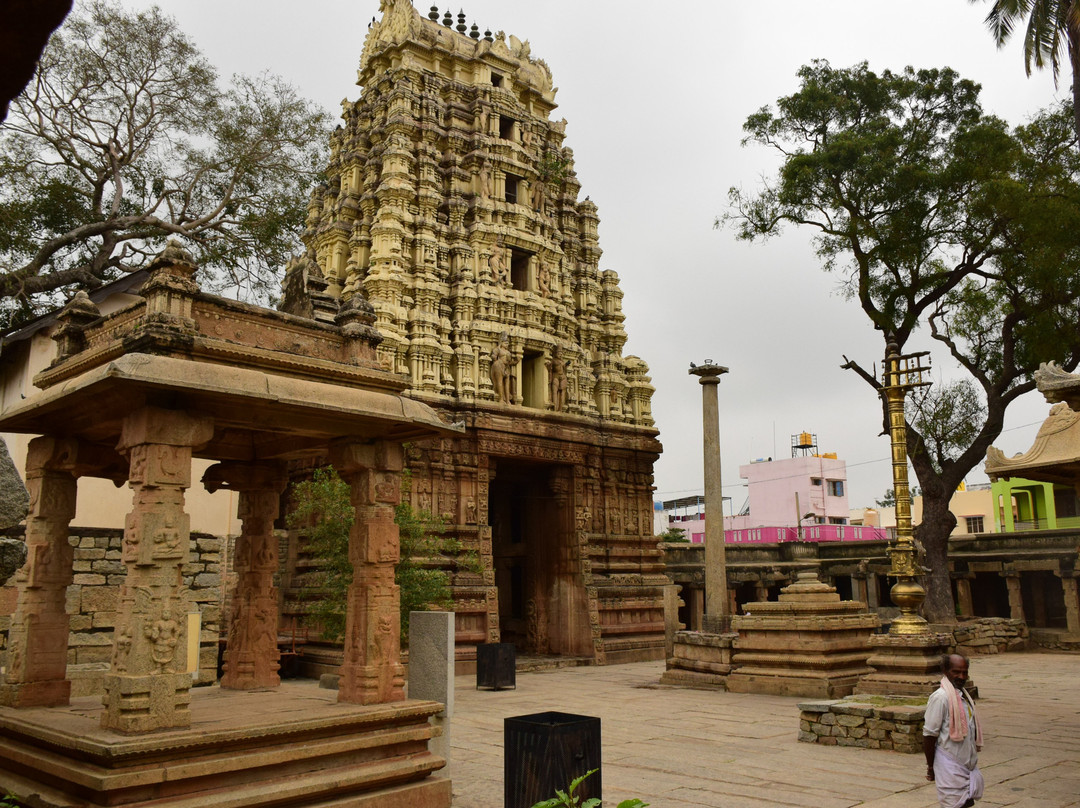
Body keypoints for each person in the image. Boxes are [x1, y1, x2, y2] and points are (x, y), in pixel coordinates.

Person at [923, 654, 983, 808]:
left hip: (967, 765)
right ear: (945, 670)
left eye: (964, 672)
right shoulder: (940, 698)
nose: (961, 676)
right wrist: (931, 766)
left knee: (967, 802)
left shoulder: (964, 696)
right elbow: (929, 735)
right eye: (956, 672)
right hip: (949, 764)